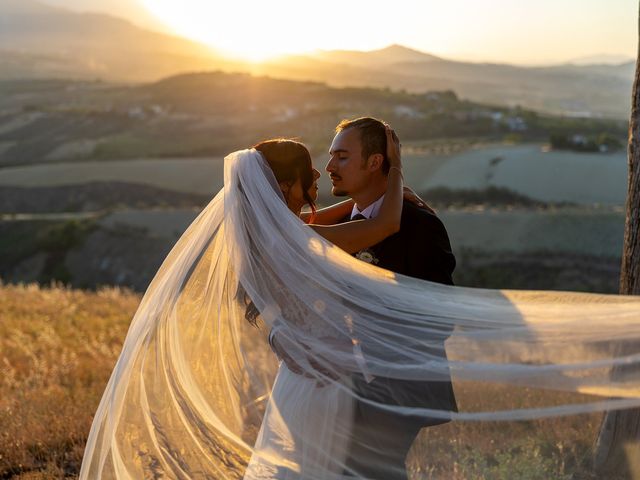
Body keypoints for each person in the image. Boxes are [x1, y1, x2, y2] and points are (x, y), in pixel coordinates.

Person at [80, 125, 640, 480]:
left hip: (335, 377)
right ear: (286, 187)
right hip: (329, 378)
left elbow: (400, 265)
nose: (324, 178)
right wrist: (395, 170)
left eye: (338, 159)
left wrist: (291, 335)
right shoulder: (300, 234)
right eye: (314, 173)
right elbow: (378, 224)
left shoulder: (279, 230)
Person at [270, 117, 457, 479]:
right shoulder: (342, 227)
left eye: (341, 157)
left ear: (375, 162)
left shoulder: (420, 225)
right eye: (330, 156)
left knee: (361, 471)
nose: (328, 168)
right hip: (337, 380)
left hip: (399, 383)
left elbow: (440, 318)